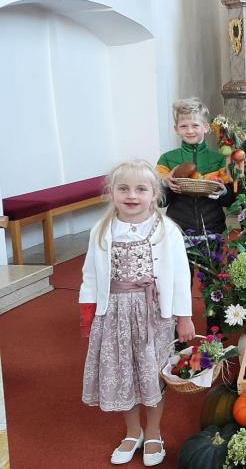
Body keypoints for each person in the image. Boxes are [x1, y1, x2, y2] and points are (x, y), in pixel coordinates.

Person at [80, 160, 195, 466]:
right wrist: (89, 312)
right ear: (111, 192)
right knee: (123, 373)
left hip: (153, 314)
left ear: (154, 193)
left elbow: (181, 276)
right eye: (123, 188)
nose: (132, 195)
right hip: (114, 313)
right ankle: (133, 432)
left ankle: (154, 431)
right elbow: (90, 274)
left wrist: (184, 316)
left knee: (151, 372)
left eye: (141, 189)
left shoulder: (166, 230)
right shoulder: (101, 229)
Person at [156, 98, 230, 234]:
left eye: (195, 125)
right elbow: (159, 202)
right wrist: (164, 183)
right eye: (183, 126)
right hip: (178, 229)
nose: (189, 131)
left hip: (214, 227)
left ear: (206, 127)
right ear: (176, 129)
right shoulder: (166, 159)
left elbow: (230, 200)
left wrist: (223, 191)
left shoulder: (220, 159)